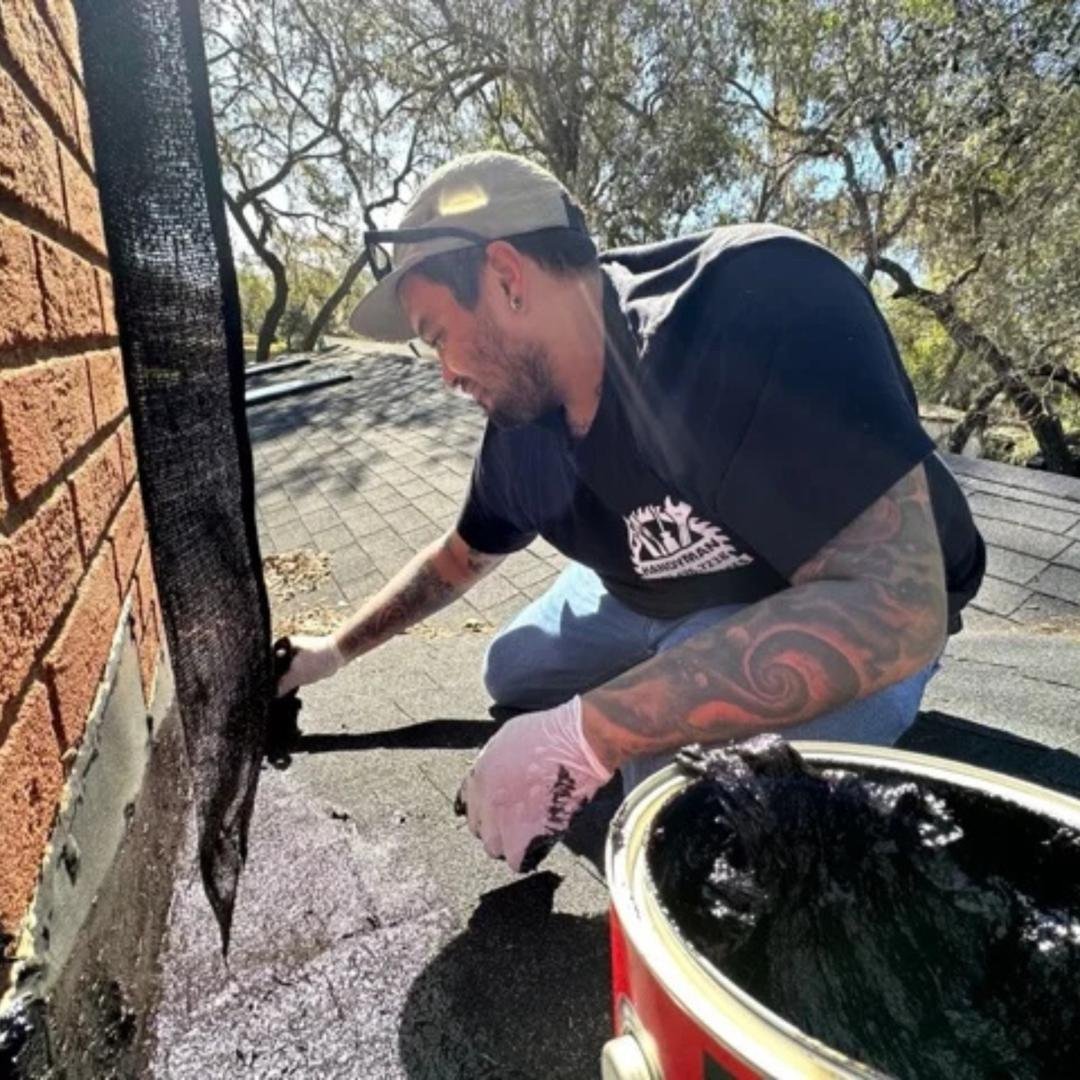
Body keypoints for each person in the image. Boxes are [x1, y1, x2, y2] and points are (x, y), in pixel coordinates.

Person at [277, 151, 985, 873]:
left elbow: (893, 605)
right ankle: (660, 651)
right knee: (508, 672)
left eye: (437, 336)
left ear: (506, 279)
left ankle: (677, 686)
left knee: (674, 805)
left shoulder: (755, 305)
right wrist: (333, 650)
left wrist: (588, 732)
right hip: (644, 584)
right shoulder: (521, 433)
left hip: (806, 594)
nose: (445, 375)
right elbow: (459, 559)